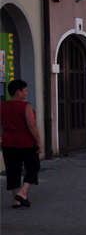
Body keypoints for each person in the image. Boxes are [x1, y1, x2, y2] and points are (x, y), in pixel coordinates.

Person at [1, 79, 43, 208]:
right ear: (18, 92)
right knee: (33, 167)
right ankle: (23, 192)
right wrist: (38, 141)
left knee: (13, 170)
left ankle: (16, 199)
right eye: (25, 91)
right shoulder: (26, 106)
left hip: (8, 143)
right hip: (25, 142)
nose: (26, 94)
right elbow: (31, 125)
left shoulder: (2, 106)